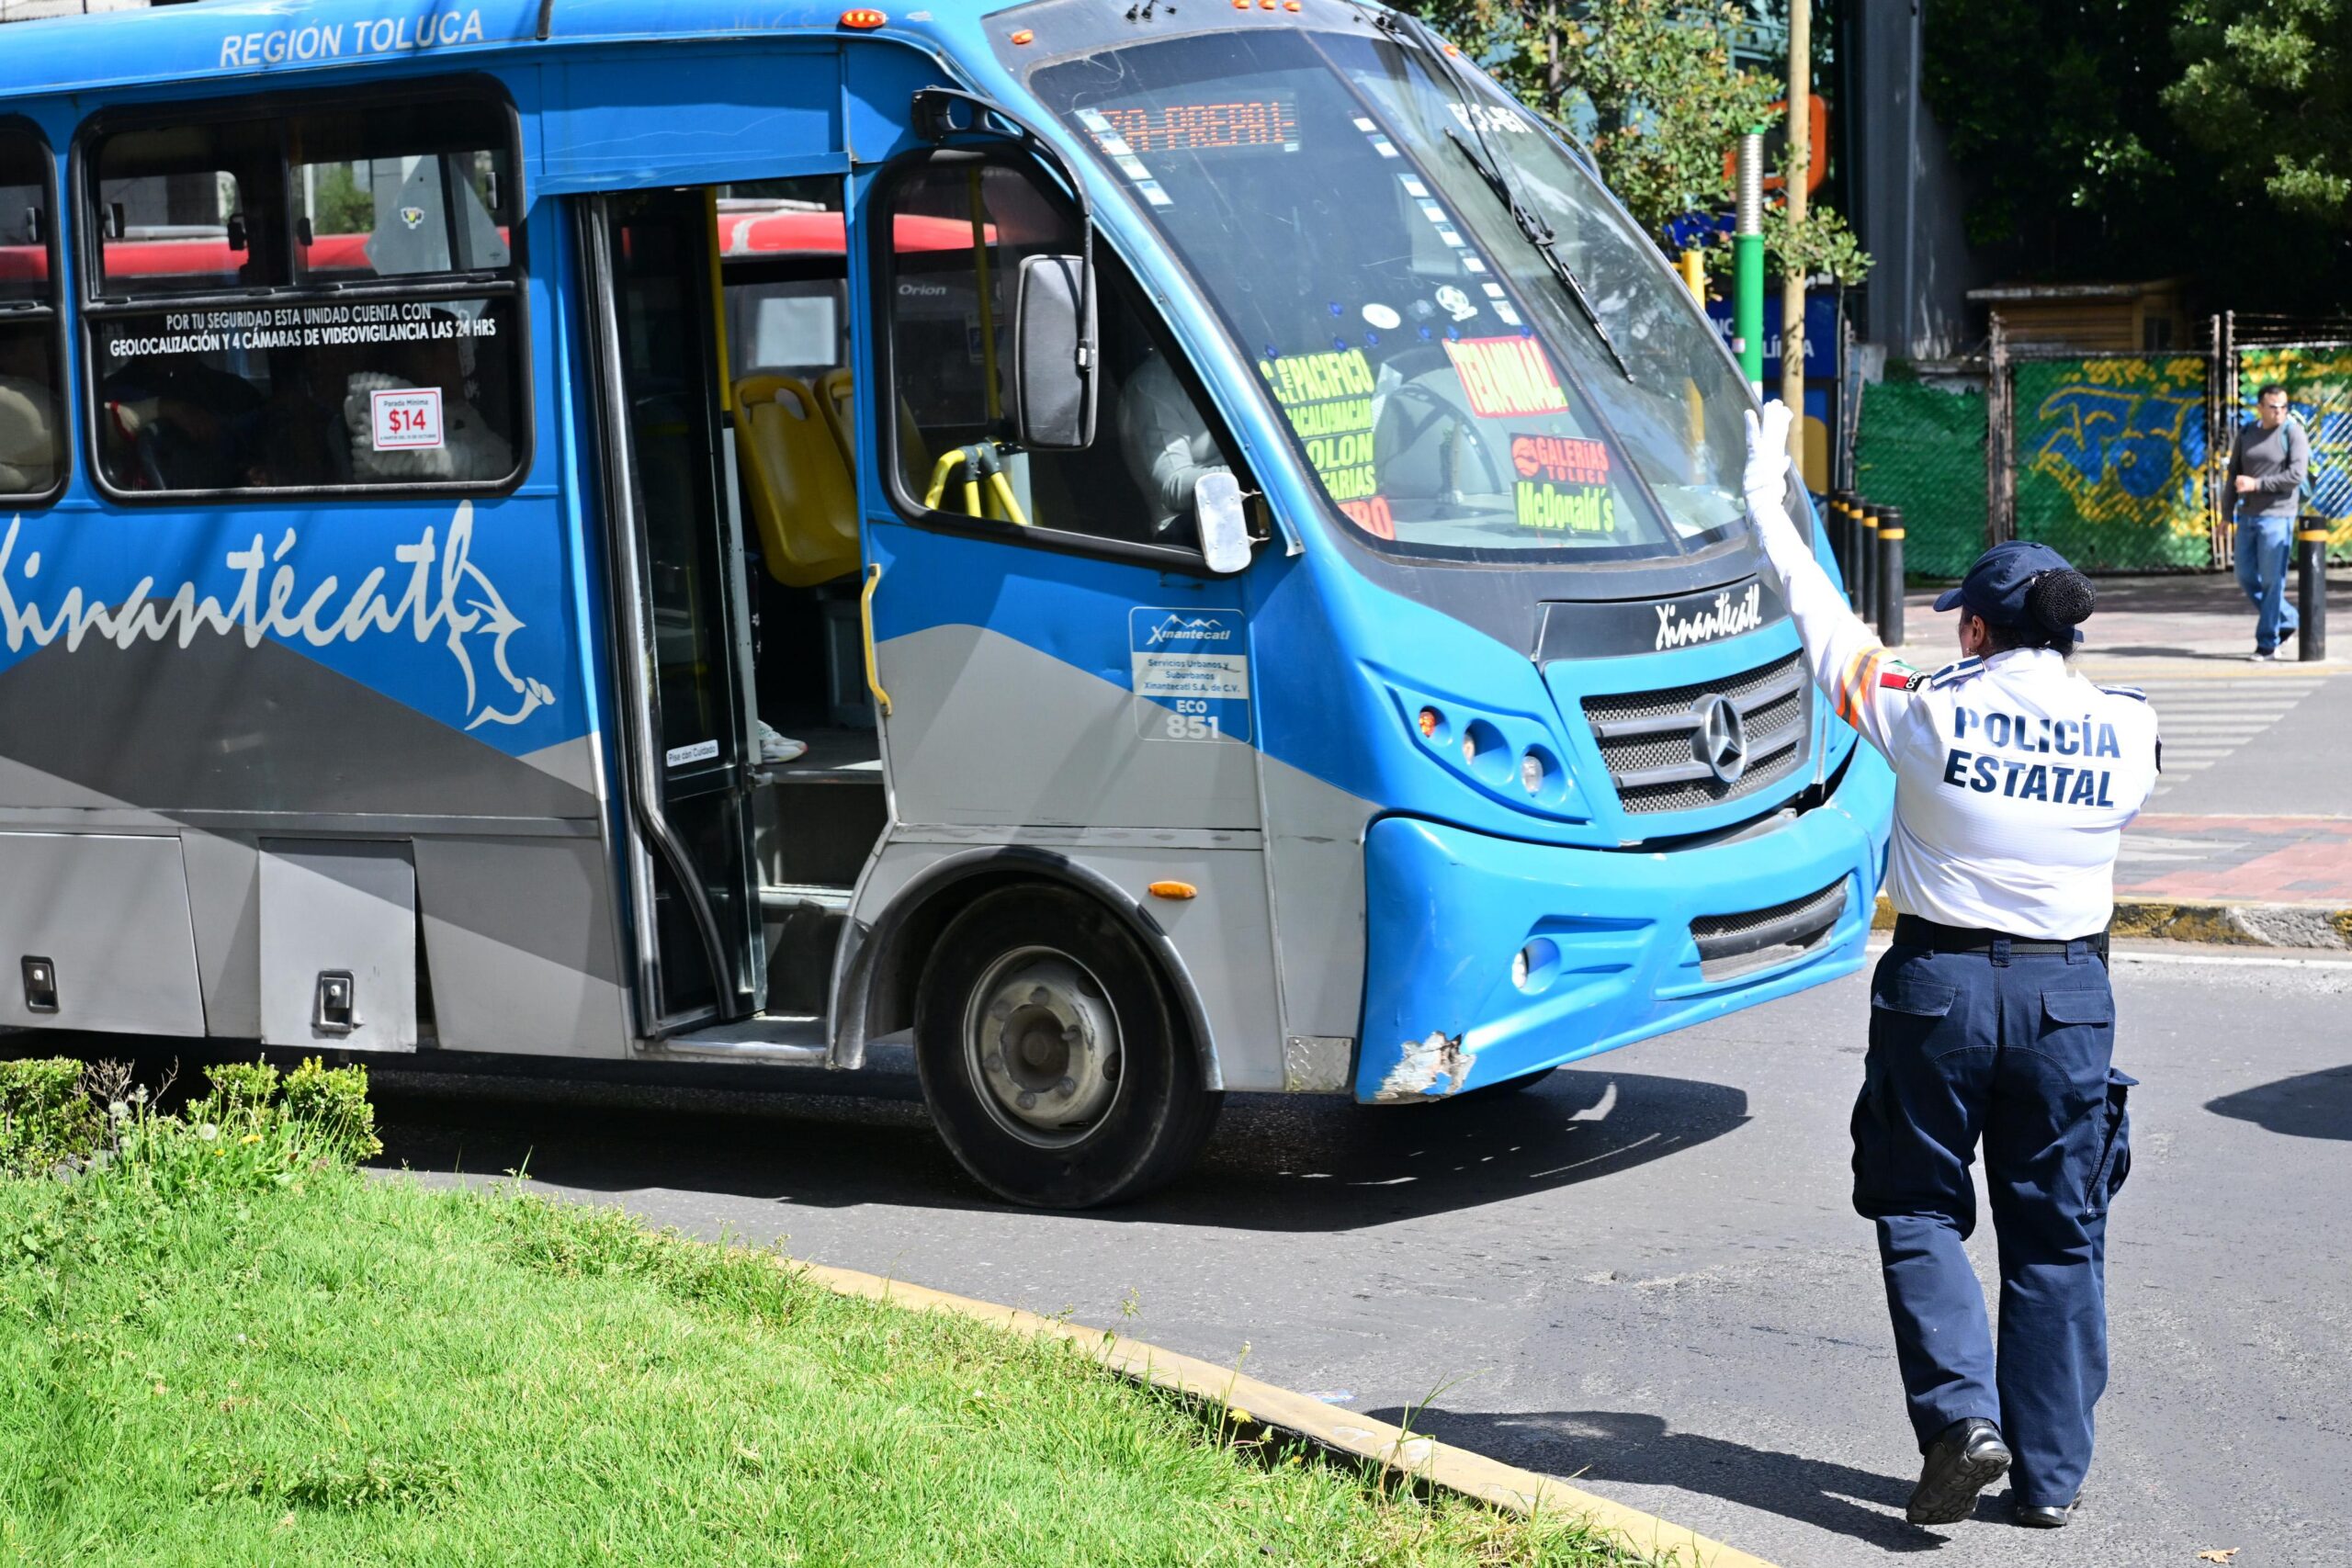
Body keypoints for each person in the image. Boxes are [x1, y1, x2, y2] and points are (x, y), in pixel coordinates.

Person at [1742, 400, 2161, 1531]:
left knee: (1919, 1207)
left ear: (1972, 632)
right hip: (2071, 996)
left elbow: (1820, 621)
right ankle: (2053, 1477)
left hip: (1937, 992)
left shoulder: (1925, 712)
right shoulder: (2130, 727)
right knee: (2056, 1227)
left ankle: (1960, 1420)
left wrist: (1767, 500)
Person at [2225, 383, 2309, 660]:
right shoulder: (2247, 432)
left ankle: (2267, 642)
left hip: (2279, 515)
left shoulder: (2292, 432)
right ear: (2260, 407)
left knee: (2274, 582)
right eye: (2274, 406)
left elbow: (2296, 475)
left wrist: (2257, 484)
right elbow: (2233, 475)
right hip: (2248, 516)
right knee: (2245, 576)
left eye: (2284, 406)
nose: (2280, 411)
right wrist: (2226, 515)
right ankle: (2289, 618)